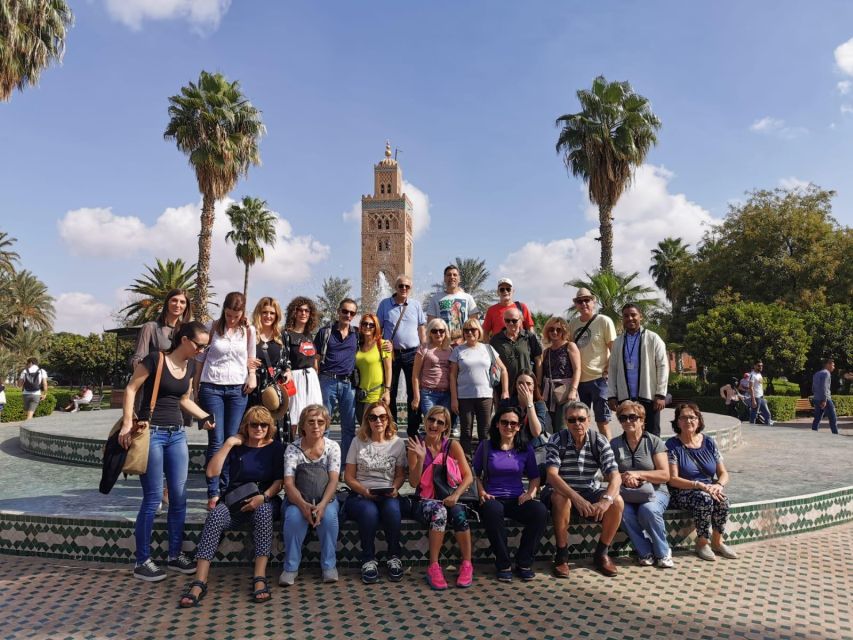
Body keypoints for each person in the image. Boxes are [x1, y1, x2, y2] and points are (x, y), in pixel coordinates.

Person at [119, 321, 213, 582]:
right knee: (152, 499)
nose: (201, 351)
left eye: (205, 347)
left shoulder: (191, 366)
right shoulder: (155, 359)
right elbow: (131, 388)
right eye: (199, 345)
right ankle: (142, 560)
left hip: (177, 434)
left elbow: (184, 400)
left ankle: (174, 555)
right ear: (184, 339)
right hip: (153, 433)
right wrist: (128, 422)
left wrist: (205, 416)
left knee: (180, 497)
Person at [178, 406, 283, 607]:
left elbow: (279, 482)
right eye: (254, 424)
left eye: (264, 425)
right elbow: (211, 472)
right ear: (246, 426)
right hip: (235, 501)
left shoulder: (276, 448)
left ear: (270, 427)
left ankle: (259, 578)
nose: (259, 428)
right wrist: (228, 444)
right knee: (216, 515)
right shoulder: (237, 447)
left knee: (263, 513)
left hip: (264, 499)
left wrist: (263, 496)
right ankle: (199, 581)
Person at [545, 401, 623, 578]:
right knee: (560, 498)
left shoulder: (599, 441)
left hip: (589, 490)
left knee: (617, 501)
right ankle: (562, 555)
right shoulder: (557, 440)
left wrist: (606, 500)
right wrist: (576, 498)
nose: (577, 423)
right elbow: (552, 475)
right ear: (566, 421)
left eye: (581, 419)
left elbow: (615, 476)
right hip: (562, 490)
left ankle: (602, 553)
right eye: (572, 420)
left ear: (589, 420)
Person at [195, 291, 258, 510]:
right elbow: (200, 359)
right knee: (216, 440)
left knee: (232, 440)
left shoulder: (249, 331)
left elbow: (251, 359)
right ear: (224, 310)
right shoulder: (212, 327)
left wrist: (252, 377)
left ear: (242, 313)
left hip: (237, 390)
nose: (231, 319)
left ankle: (227, 488)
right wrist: (195, 388)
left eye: (236, 315)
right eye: (229, 314)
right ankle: (213, 492)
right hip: (211, 387)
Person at [473, 407, 547, 582]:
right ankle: (503, 563)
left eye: (513, 423)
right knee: (492, 510)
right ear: (497, 425)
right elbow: (474, 474)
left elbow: (535, 477)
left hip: (516, 498)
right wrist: (482, 492)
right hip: (493, 498)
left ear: (519, 427)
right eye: (504, 422)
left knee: (540, 512)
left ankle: (524, 561)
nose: (509, 426)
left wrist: (530, 493)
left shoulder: (525, 449)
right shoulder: (486, 446)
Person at [406, 406, 474, 589]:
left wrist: (456, 495)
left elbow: (468, 476)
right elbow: (413, 483)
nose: (434, 425)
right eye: (431, 420)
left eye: (440, 422)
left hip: (450, 496)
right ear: (425, 421)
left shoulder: (452, 445)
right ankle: (434, 566)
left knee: (459, 513)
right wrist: (420, 459)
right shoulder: (415, 444)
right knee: (440, 512)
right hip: (425, 502)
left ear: (446, 427)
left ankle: (467, 564)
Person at [344, 400, 407, 584]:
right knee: (369, 512)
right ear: (367, 421)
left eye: (382, 417)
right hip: (360, 493)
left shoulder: (397, 443)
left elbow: (400, 475)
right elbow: (348, 477)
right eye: (373, 417)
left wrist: (395, 488)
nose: (378, 421)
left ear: (388, 419)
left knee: (393, 510)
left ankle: (394, 556)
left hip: (387, 491)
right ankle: (368, 559)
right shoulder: (358, 442)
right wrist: (363, 490)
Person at [666, 402, 738, 561]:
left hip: (708, 487)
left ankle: (717, 542)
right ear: (677, 422)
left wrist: (718, 485)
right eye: (683, 417)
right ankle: (702, 543)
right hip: (682, 491)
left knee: (723, 501)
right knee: (704, 498)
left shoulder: (709, 442)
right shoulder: (672, 445)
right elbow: (673, 479)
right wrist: (698, 485)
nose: (688, 421)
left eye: (692, 417)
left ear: (698, 420)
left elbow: (723, 473)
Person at [281, 404, 341, 585]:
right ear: (303, 426)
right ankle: (290, 567)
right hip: (298, 500)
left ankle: (329, 565)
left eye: (321, 422)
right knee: (292, 517)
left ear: (326, 425)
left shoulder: (332, 447)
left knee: (329, 517)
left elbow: (333, 480)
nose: (316, 426)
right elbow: (289, 483)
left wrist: (322, 505)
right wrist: (303, 505)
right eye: (311, 422)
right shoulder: (292, 448)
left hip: (326, 499)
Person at [611, 401, 673, 568]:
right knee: (623, 512)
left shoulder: (654, 442)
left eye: (632, 417)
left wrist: (638, 474)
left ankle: (663, 552)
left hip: (655, 491)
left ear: (642, 420)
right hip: (627, 493)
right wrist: (625, 477)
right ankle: (645, 551)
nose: (628, 421)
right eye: (623, 418)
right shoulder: (615, 444)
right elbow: (608, 473)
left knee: (649, 510)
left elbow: (665, 475)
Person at [449, 318, 509, 457]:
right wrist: (454, 398)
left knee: (484, 431)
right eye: (466, 330)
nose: (470, 332)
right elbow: (452, 376)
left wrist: (505, 391)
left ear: (479, 331)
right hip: (464, 397)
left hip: (485, 396)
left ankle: (484, 460)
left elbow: (503, 370)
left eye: (473, 329)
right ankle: (466, 461)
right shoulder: (458, 350)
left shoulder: (488, 348)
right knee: (466, 432)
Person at [607, 303, 669, 437]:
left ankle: (654, 458)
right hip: (626, 398)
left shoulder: (653, 338)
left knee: (652, 434)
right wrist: (612, 395)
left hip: (649, 396)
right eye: (626, 316)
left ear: (641, 316)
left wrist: (660, 394)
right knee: (630, 433)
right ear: (622, 319)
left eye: (633, 315)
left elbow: (663, 366)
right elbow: (612, 369)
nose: (630, 318)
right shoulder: (618, 342)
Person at [377, 274, 427, 436]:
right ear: (395, 287)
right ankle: (392, 429)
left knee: (414, 392)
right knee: (389, 391)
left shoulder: (415, 305)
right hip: (391, 355)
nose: (404, 289)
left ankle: (413, 430)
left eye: (407, 286)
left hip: (413, 353)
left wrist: (424, 349)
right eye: (401, 286)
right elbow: (378, 330)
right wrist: (383, 344)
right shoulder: (385, 305)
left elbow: (421, 329)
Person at [315, 298, 359, 470]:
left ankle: (344, 467)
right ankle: (324, 464)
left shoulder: (357, 334)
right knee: (324, 425)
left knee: (348, 428)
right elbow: (316, 359)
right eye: (345, 311)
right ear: (338, 312)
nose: (348, 315)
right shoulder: (325, 332)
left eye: (352, 313)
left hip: (348, 384)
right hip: (328, 381)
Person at [568, 288, 617, 439]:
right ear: (576, 304)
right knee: (580, 422)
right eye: (579, 301)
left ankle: (608, 456)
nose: (583, 304)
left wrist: (607, 371)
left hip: (599, 380)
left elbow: (614, 350)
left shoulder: (604, 321)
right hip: (580, 382)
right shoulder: (573, 324)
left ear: (593, 301)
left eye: (587, 300)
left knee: (603, 421)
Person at [248, 297, 290, 438]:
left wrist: (288, 371)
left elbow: (286, 361)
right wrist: (246, 364)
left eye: (272, 313)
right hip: (254, 389)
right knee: (254, 428)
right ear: (258, 313)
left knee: (275, 431)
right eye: (264, 312)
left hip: (273, 392)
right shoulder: (250, 333)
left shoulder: (281, 335)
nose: (268, 316)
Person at [282, 296, 323, 429]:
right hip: (295, 377)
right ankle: (292, 446)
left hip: (311, 378)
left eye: (307, 311)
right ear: (294, 312)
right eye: (300, 310)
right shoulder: (286, 334)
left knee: (312, 416)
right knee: (294, 417)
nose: (303, 313)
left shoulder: (309, 335)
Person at [535, 317, 581, 432]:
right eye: (551, 329)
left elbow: (577, 369)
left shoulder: (570, 346)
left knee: (563, 426)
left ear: (564, 331)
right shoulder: (546, 351)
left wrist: (573, 390)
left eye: (558, 329)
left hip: (566, 392)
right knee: (549, 427)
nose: (554, 332)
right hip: (549, 394)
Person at [411, 318, 453, 432]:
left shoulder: (449, 350)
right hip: (429, 394)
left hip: (446, 394)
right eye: (434, 331)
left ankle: (442, 449)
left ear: (445, 332)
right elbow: (415, 375)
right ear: (429, 332)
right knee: (432, 425)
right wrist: (416, 397)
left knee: (443, 426)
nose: (438, 333)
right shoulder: (424, 349)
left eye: (441, 330)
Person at [489, 305, 542, 394]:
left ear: (521, 320)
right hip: (505, 391)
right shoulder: (495, 340)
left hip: (528, 388)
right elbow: (492, 367)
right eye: (507, 320)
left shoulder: (529, 337)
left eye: (514, 321)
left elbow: (538, 360)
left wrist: (538, 384)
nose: (510, 323)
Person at [354, 313, 392, 424]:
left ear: (376, 327)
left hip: (375, 394)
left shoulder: (382, 344)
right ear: (361, 326)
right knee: (363, 428)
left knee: (373, 428)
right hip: (359, 395)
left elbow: (388, 369)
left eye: (371, 325)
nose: (368, 327)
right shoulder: (357, 345)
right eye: (365, 324)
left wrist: (387, 391)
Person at [425, 264, 479, 334]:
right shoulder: (435, 299)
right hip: (442, 343)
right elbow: (431, 324)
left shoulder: (468, 298)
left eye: (455, 275)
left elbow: (474, 323)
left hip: (463, 343)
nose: (452, 277)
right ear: (444, 278)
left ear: (459, 279)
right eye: (449, 275)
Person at [812, 358, 838, 434]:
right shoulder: (826, 373)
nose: (834, 367)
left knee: (817, 418)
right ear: (828, 364)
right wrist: (824, 400)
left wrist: (816, 396)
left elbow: (813, 387)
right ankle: (835, 434)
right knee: (833, 418)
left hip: (816, 398)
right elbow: (825, 387)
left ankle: (813, 433)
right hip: (825, 399)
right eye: (833, 365)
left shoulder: (817, 373)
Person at [748, 361, 774, 425]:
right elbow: (750, 387)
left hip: (761, 397)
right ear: (754, 366)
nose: (761, 367)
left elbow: (760, 386)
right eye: (759, 366)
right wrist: (753, 400)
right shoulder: (752, 375)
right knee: (754, 415)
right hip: (756, 398)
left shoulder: (759, 374)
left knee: (767, 414)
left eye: (761, 366)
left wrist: (763, 397)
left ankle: (766, 429)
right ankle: (751, 429)